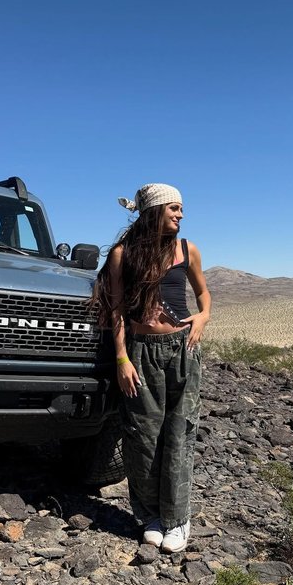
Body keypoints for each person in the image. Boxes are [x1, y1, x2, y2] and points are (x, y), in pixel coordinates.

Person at [92, 183, 211, 553]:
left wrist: (202, 318)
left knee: (179, 433)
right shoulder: (122, 254)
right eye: (174, 208)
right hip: (140, 352)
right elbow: (115, 310)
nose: (181, 214)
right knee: (143, 435)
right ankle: (150, 517)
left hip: (182, 350)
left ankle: (177, 519)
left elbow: (204, 295)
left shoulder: (186, 249)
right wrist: (122, 358)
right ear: (153, 211)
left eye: (181, 209)